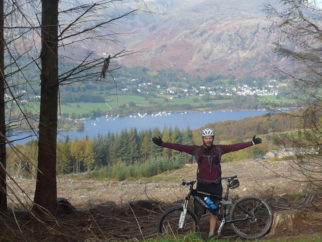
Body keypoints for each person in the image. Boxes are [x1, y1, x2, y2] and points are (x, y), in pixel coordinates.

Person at [152, 128, 262, 238]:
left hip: (215, 186)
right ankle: (195, 235)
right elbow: (180, 147)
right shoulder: (196, 150)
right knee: (197, 213)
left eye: (210, 138)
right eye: (206, 138)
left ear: (213, 138)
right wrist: (162, 144)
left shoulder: (219, 149)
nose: (208, 140)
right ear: (203, 138)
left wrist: (251, 143)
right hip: (202, 187)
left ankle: (211, 235)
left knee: (214, 211)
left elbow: (234, 147)